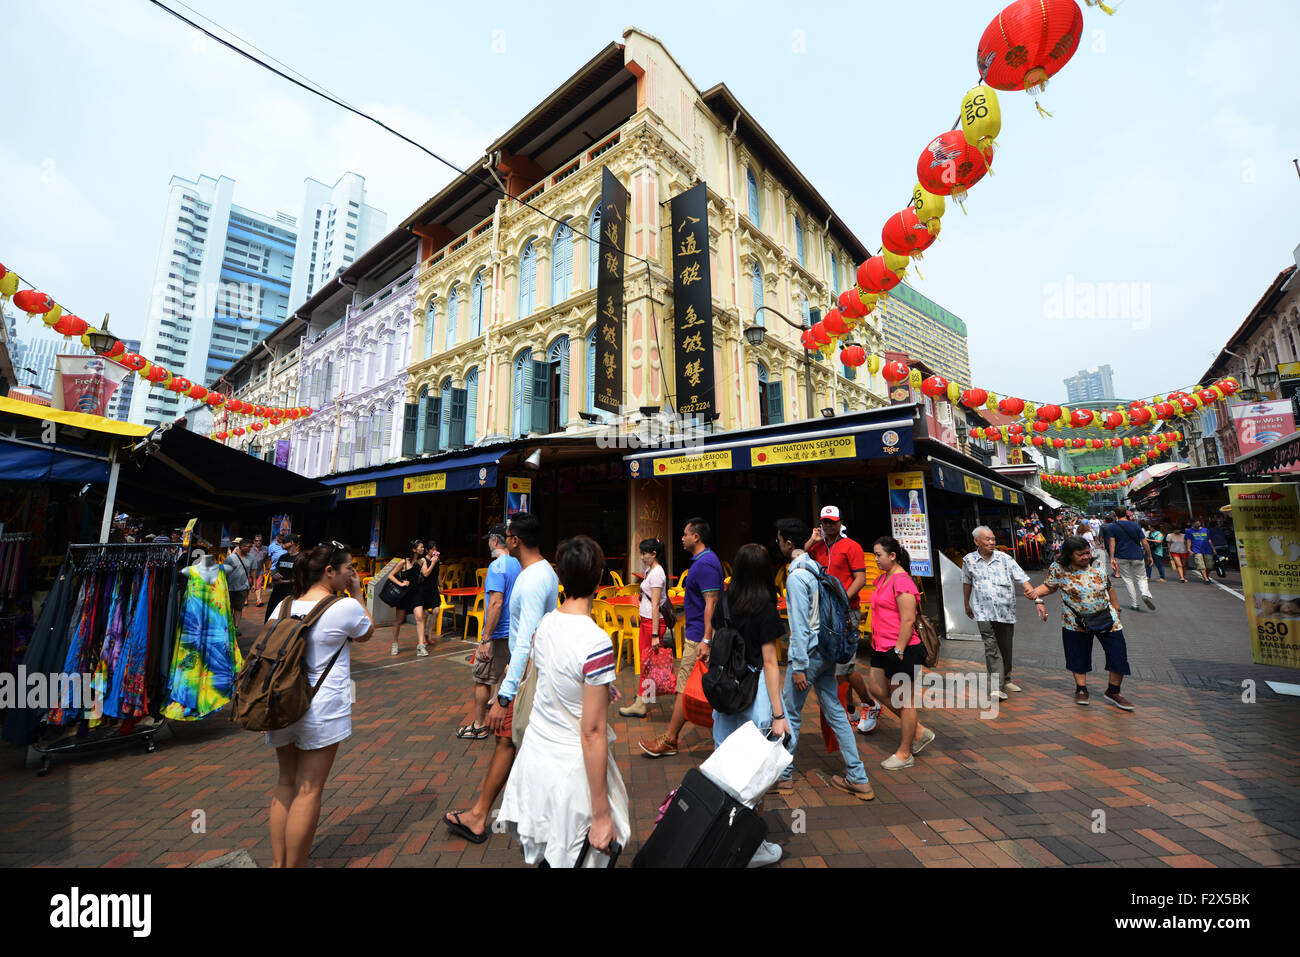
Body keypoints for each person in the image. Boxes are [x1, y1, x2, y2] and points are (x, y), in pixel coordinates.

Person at [497, 535, 629, 867]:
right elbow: (592, 732)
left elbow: (555, 677)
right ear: (600, 578)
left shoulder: (545, 625)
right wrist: (601, 815)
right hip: (572, 776)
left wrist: (599, 689)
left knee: (551, 857)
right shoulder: (596, 641)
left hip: (537, 761)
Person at [444, 512, 558, 844]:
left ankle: (481, 815)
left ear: (514, 540)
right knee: (515, 741)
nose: (503, 538)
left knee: (508, 737)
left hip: (530, 675)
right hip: (527, 671)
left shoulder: (535, 578)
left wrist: (504, 695)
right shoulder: (535, 572)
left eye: (507, 534)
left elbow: (527, 638)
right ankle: (520, 813)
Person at [266, 541, 374, 867]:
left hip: (281, 704)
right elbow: (367, 632)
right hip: (320, 708)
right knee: (309, 790)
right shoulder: (344, 607)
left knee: (285, 783)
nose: (351, 575)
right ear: (330, 571)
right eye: (348, 570)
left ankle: (279, 863)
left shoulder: (283, 606)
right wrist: (357, 592)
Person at [771, 517, 874, 800]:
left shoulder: (796, 576)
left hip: (809, 654)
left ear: (788, 543)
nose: (777, 544)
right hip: (828, 650)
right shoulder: (817, 567)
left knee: (789, 714)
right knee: (836, 712)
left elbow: (801, 625)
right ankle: (858, 777)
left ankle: (784, 776)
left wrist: (800, 666)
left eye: (779, 540)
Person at [709, 543, 789, 867]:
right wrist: (779, 714)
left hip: (726, 694)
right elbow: (770, 663)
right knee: (755, 775)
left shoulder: (726, 602)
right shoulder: (766, 609)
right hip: (754, 696)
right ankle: (751, 847)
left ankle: (724, 837)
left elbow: (718, 642)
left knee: (726, 769)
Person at [637, 518, 724, 758]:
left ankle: (671, 739)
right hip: (698, 634)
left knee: (684, 687)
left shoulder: (705, 563)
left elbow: (712, 602)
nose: (682, 538)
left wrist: (706, 639)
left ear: (696, 537)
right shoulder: (702, 561)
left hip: (699, 637)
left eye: (685, 534)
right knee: (699, 687)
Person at [1028, 535, 1134, 710]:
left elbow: (1109, 586)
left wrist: (1117, 608)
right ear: (1069, 555)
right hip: (1075, 621)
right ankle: (1081, 689)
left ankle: (1114, 691)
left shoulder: (1097, 566)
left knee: (1118, 654)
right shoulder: (1059, 569)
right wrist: (1034, 593)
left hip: (1107, 618)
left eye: (1087, 553)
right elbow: (1049, 586)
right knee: (1078, 655)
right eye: (1081, 554)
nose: (1086, 557)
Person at [806, 505, 881, 735]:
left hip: (847, 611)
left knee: (844, 666)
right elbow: (800, 559)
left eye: (833, 522)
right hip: (825, 612)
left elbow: (860, 578)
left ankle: (869, 704)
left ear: (840, 523)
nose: (829, 526)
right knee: (836, 665)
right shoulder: (817, 548)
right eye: (825, 522)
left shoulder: (852, 546)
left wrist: (843, 600)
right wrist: (811, 540)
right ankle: (849, 708)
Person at [866, 536, 935, 770]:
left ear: (892, 556)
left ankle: (905, 753)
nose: (875, 559)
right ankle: (918, 730)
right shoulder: (882, 579)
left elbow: (907, 620)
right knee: (876, 689)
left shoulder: (902, 581)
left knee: (904, 702)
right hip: (880, 646)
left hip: (902, 648)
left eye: (879, 555)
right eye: (875, 554)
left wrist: (899, 649)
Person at [458, 525, 521, 740]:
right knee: (509, 673)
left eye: (489, 540)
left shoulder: (496, 567)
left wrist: (486, 638)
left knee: (482, 678)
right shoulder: (520, 564)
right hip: (516, 630)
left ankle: (479, 725)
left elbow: (495, 602)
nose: (487, 544)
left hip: (498, 632)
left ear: (495, 541)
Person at [962, 525, 1038, 700]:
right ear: (976, 542)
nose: (992, 542)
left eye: (993, 539)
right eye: (987, 539)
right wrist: (966, 603)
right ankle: (996, 687)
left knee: (1005, 646)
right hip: (983, 611)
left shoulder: (1005, 558)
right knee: (991, 647)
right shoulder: (969, 560)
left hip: (1005, 610)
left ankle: (1006, 678)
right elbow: (966, 582)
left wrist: (1036, 597)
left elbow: (1022, 578)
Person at [618, 537, 669, 719]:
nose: (641, 557)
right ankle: (644, 698)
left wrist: (655, 634)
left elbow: (656, 605)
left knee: (647, 663)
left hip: (652, 623)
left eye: (644, 553)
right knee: (647, 662)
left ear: (654, 554)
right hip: (646, 621)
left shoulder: (657, 574)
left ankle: (641, 702)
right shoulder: (651, 570)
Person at [1104, 506, 1156, 612]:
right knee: (1141, 577)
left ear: (1115, 514)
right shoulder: (1135, 525)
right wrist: (1150, 555)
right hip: (1137, 555)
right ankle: (1145, 593)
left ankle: (1134, 604)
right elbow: (1144, 541)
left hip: (1122, 556)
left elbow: (1112, 542)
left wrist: (1112, 558)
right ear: (1126, 513)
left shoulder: (1113, 527)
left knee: (1128, 580)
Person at [387, 540, 434, 657]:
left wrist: (433, 562)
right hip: (404, 595)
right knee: (399, 620)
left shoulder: (421, 562)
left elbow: (426, 574)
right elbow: (390, 575)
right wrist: (401, 583)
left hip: (416, 593)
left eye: (423, 547)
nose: (423, 549)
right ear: (414, 549)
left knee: (420, 617)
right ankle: (395, 643)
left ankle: (420, 646)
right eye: (421, 547)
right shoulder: (403, 562)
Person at [222, 538, 255, 636]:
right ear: (241, 547)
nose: (250, 549)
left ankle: (236, 627)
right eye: (248, 547)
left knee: (238, 608)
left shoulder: (251, 558)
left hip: (243, 587)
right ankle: (228, 626)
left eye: (250, 547)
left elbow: (253, 571)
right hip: (230, 587)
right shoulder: (230, 558)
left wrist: (253, 584)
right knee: (229, 607)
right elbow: (224, 572)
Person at [264, 534, 299, 622]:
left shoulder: (300, 558)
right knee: (271, 614)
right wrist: (274, 575)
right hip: (278, 591)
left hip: (292, 593)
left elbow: (300, 578)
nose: (281, 544)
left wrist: (284, 582)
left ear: (291, 543)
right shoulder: (283, 557)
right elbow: (277, 571)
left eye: (283, 542)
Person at [1186, 519, 1214, 584]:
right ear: (1192, 524)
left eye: (1198, 523)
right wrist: (1189, 549)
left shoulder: (1205, 530)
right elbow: (1188, 540)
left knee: (1210, 566)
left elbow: (1209, 540)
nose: (1198, 524)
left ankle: (1206, 575)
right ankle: (1206, 579)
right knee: (1200, 565)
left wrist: (1213, 549)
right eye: (1196, 523)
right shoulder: (1189, 531)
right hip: (1196, 550)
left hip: (1207, 549)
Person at [248, 534, 269, 607]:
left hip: (259, 570)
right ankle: (245, 600)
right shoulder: (249, 548)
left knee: (258, 585)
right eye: (256, 541)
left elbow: (266, 559)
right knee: (248, 585)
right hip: (249, 571)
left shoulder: (265, 548)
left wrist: (267, 568)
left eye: (260, 541)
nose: (258, 542)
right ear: (254, 541)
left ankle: (258, 600)